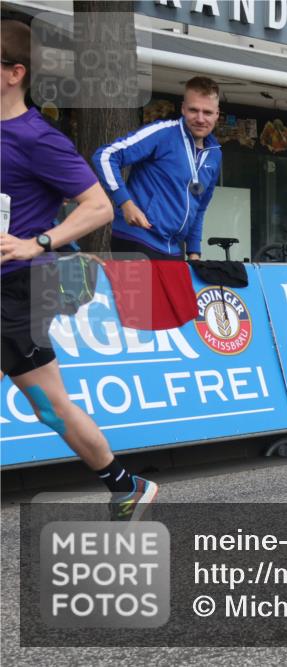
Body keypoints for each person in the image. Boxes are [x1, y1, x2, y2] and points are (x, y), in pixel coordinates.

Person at [0, 19, 157, 520]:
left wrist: (36, 243)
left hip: (17, 289)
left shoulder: (37, 138)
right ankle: (125, 484)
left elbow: (98, 206)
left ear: (14, 73)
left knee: (52, 405)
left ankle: (126, 483)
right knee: (51, 406)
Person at [93, 76, 223, 260]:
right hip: (137, 238)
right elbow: (105, 156)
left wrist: (194, 251)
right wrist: (126, 203)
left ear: (217, 114)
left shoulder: (214, 154)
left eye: (207, 112)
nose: (200, 119)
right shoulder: (163, 133)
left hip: (173, 248)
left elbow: (200, 207)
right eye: (194, 110)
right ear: (183, 109)